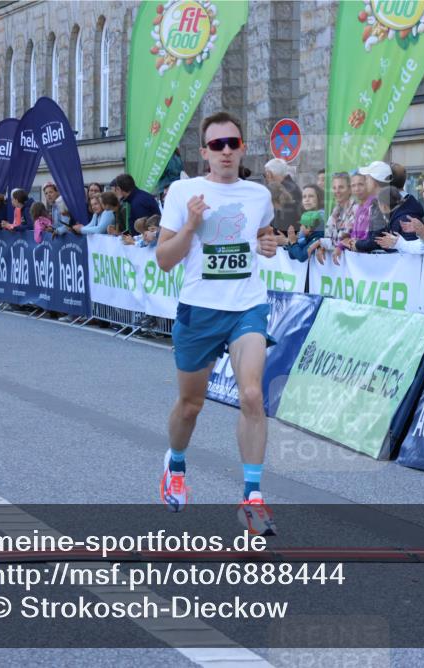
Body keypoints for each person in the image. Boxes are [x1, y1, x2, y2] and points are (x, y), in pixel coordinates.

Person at [155, 110, 279, 534]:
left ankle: (252, 497)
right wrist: (191, 223)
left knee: (251, 394)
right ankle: (175, 461)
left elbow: (263, 234)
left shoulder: (258, 194)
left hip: (247, 306)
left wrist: (267, 243)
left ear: (242, 147)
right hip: (199, 310)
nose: (225, 151)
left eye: (232, 143)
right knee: (191, 405)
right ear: (204, 152)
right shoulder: (182, 191)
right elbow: (164, 260)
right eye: (216, 145)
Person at [309, 172, 355, 263]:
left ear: (350, 189)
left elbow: (344, 240)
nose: (337, 191)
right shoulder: (335, 212)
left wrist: (320, 243)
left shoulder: (356, 210)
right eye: (334, 188)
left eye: (341, 187)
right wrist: (322, 247)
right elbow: (329, 237)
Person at [263, 158, 301, 232]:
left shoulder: (287, 189)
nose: (266, 178)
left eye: (265, 174)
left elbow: (284, 221)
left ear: (269, 174)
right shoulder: (291, 186)